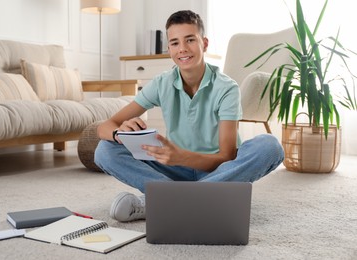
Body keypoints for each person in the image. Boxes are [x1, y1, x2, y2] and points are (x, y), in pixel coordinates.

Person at [94, 10, 284, 222]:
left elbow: (227, 156)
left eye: (190, 40)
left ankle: (163, 201)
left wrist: (182, 156)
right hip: (174, 169)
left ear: (204, 43)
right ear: (169, 50)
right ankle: (192, 198)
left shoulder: (226, 88)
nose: (182, 49)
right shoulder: (161, 83)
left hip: (218, 170)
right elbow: (105, 126)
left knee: (270, 146)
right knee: (104, 150)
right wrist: (120, 133)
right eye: (175, 43)